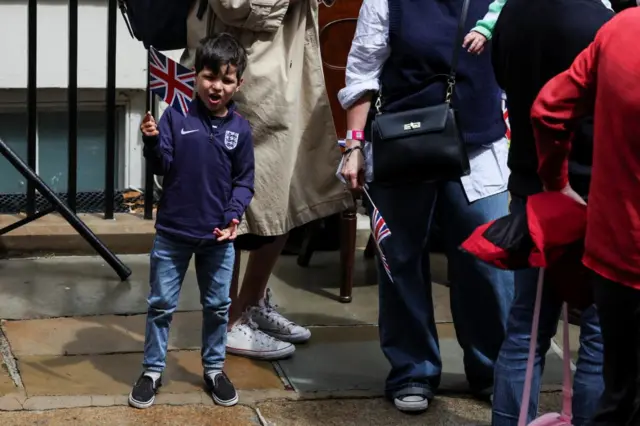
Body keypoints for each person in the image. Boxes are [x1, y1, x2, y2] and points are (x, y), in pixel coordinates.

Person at [338, 0, 514, 413]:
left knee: (488, 261)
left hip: (480, 148)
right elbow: (363, 70)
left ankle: (491, 367)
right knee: (400, 260)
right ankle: (412, 368)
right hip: (406, 145)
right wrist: (354, 146)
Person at [180, 0, 353, 361]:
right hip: (246, 74)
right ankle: (225, 322)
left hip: (285, 69)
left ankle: (251, 302)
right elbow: (234, 5)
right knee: (234, 205)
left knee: (282, 193)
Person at [490, 0, 613, 424]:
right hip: (590, 194)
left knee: (525, 329)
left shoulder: (511, 13)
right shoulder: (601, 22)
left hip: (530, 189)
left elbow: (503, 81)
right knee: (599, 334)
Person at [129, 34, 253, 409]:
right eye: (209, 76)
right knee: (161, 304)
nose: (217, 86)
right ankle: (152, 370)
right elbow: (163, 164)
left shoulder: (241, 129)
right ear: (195, 76)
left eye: (227, 80)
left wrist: (233, 216)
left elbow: (244, 181)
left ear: (238, 84)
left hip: (218, 236)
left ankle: (214, 368)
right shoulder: (176, 115)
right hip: (172, 232)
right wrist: (152, 141)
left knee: (217, 306)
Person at [532, 8, 640, 425]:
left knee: (618, 391)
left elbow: (548, 110)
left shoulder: (622, 27)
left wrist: (555, 181)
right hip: (615, 250)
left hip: (613, 253)